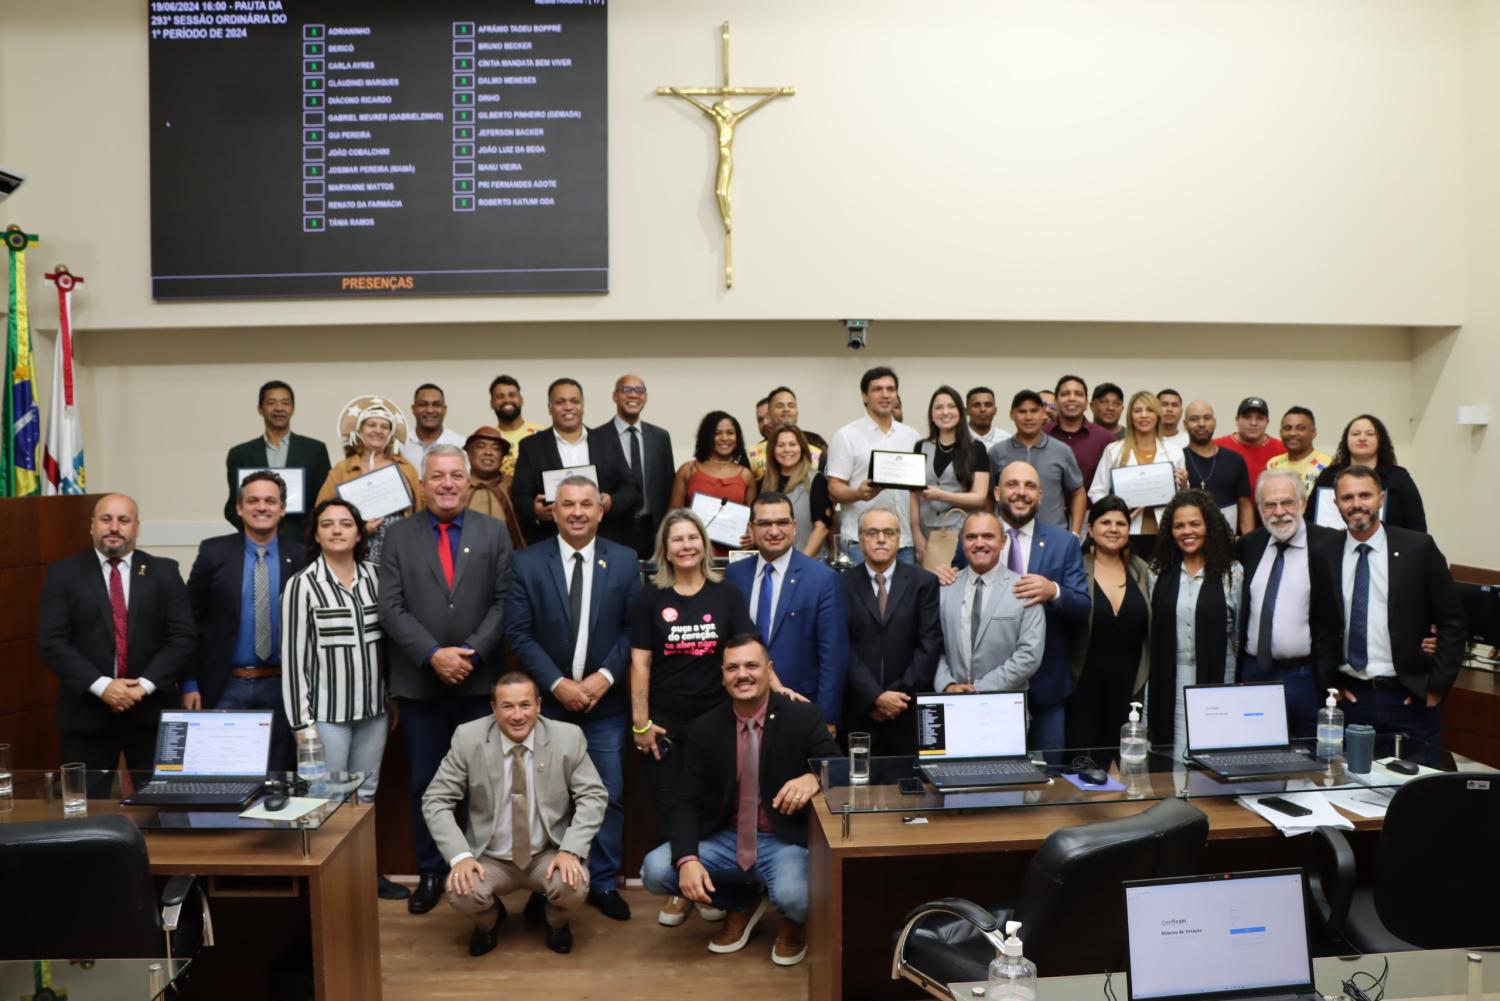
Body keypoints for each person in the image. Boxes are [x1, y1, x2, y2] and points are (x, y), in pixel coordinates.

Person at [640, 634, 840, 967]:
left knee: (797, 898)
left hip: (784, 841)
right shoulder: (706, 727)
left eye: (751, 665)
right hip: (727, 838)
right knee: (656, 869)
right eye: (732, 668)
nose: (742, 674)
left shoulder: (802, 717)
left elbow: (841, 768)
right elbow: (684, 800)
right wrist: (688, 858)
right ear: (722, 675)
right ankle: (742, 899)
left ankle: (793, 922)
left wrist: (813, 778)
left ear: (769, 669)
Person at [378, 445, 514, 915]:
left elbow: (503, 601)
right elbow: (390, 607)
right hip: (421, 684)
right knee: (426, 785)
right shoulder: (398, 537)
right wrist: (433, 655)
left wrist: (472, 653)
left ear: (468, 480)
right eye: (438, 476)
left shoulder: (493, 532)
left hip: (478, 683)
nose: (448, 483)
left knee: (482, 782)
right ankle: (433, 871)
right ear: (423, 482)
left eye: (457, 475)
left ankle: (479, 870)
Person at [505, 475, 641, 922]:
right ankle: (546, 883)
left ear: (601, 511)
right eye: (568, 505)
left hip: (606, 705)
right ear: (554, 511)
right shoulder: (526, 563)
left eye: (586, 504)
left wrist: (603, 677)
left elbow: (632, 630)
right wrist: (558, 684)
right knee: (547, 798)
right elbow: (519, 634)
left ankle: (601, 881)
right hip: (550, 704)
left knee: (607, 794)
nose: (578, 512)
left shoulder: (623, 561)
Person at [629, 509, 756, 926]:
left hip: (717, 721)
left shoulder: (728, 594)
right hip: (665, 724)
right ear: (665, 549)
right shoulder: (650, 597)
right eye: (677, 539)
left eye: (692, 538)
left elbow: (749, 652)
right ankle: (680, 889)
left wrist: (778, 689)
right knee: (670, 805)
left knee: (713, 804)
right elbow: (640, 664)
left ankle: (709, 885)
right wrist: (641, 723)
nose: (686, 546)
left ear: (705, 543)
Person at [423, 672, 607, 957]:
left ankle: (555, 921)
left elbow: (593, 796)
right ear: (493, 708)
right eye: (507, 706)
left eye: (525, 705)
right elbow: (436, 799)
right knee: (460, 892)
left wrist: (571, 850)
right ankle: (489, 921)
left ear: (539, 705)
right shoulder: (468, 737)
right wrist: (460, 856)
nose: (517, 715)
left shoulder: (568, 737)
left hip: (546, 854)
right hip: (490, 856)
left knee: (574, 885)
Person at [280, 497, 406, 900]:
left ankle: (363, 877)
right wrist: (302, 726)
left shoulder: (376, 577)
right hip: (325, 719)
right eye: (328, 524)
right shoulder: (302, 584)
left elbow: (389, 648)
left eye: (345, 523)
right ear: (316, 534)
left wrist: (391, 700)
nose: (337, 530)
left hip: (373, 712)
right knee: (326, 798)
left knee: (364, 797)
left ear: (359, 531)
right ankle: (329, 886)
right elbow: (293, 659)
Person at [38, 494, 195, 774]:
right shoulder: (63, 573)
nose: (114, 527)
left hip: (152, 715)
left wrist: (143, 687)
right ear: (92, 525)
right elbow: (51, 643)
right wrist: (103, 686)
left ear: (136, 527)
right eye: (106, 519)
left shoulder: (165, 572)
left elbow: (183, 638)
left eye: (123, 520)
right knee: (84, 809)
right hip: (86, 715)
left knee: (165, 810)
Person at [1311, 466, 1464, 745]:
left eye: (1365, 495)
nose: (1357, 504)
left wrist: (1435, 688)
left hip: (1410, 700)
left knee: (1417, 788)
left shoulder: (1418, 548)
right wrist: (1331, 683)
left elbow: (1453, 621)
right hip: (1352, 700)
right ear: (1336, 504)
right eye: (1347, 498)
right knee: (1352, 788)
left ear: (1381, 499)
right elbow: (1321, 624)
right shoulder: (1324, 553)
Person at [184, 470, 308, 773]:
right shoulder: (213, 552)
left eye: (270, 501)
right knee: (223, 774)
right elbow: (189, 621)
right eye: (253, 500)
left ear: (282, 509)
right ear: (239, 508)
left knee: (280, 776)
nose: (261, 507)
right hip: (226, 684)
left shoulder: (302, 555)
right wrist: (188, 682)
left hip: (283, 687)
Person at [985, 461, 1090, 751]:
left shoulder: (1063, 542)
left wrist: (1053, 590)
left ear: (1041, 496)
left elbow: (1082, 607)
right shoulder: (977, 538)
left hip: (1046, 686)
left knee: (1050, 783)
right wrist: (946, 574)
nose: (1021, 492)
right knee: (993, 784)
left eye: (1030, 486)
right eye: (1012, 484)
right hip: (989, 685)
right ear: (996, 493)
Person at [726, 493, 849, 727]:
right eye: (764, 524)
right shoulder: (735, 573)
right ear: (751, 529)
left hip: (802, 708)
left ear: (794, 527)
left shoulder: (823, 579)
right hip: (743, 709)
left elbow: (833, 656)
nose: (774, 531)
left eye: (782, 522)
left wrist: (826, 718)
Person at [1235, 468, 1341, 740]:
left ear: (1303, 504)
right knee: (1253, 752)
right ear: (1259, 509)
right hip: (1254, 673)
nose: (1279, 512)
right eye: (1270, 505)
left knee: (1310, 762)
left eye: (1287, 502)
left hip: (1306, 677)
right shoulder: (1250, 545)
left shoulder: (1330, 545)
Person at [1146, 489, 1243, 758]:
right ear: (1170, 531)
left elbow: (1238, 633)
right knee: (1171, 756)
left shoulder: (1231, 572)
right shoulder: (1156, 570)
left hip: (1218, 679)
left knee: (1211, 756)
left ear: (1208, 527)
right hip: (1168, 680)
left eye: (1194, 524)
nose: (1187, 531)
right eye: (1179, 525)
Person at [841, 506, 942, 753]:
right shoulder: (840, 584)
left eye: (889, 532)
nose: (881, 539)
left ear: (899, 539)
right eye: (872, 532)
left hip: (907, 712)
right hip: (859, 712)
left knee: (911, 788)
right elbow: (841, 648)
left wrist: (893, 698)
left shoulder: (924, 583)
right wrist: (875, 697)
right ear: (860, 539)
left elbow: (929, 646)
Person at [1065, 497, 1152, 753]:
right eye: (1105, 522)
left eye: (1121, 523)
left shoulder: (1143, 571)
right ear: (1090, 529)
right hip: (1082, 685)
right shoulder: (1074, 570)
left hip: (1129, 686)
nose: (1113, 529)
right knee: (1081, 766)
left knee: (1123, 764)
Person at [511, 378, 640, 546]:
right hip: (550, 540)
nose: (568, 407)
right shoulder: (531, 447)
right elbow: (520, 496)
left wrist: (612, 502)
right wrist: (535, 511)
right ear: (549, 408)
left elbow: (630, 488)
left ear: (583, 406)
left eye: (574, 401)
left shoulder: (608, 441)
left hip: (603, 540)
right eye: (560, 402)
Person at [933, 513, 1045, 695]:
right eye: (971, 537)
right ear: (962, 543)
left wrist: (980, 689)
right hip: (953, 700)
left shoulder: (1025, 590)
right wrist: (946, 684)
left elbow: (1029, 655)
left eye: (988, 536)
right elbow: (930, 646)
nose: (979, 543)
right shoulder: (943, 588)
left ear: (1003, 541)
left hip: (1005, 703)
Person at [825, 366, 922, 564]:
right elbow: (834, 488)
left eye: (891, 389)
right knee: (862, 596)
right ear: (864, 397)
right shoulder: (846, 436)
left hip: (903, 542)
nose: (885, 395)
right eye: (877, 389)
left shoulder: (912, 436)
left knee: (903, 596)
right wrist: (857, 494)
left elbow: (916, 493)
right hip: (861, 543)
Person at [315, 395, 423, 565]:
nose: (378, 431)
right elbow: (321, 514)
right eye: (371, 425)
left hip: (400, 551)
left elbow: (420, 512)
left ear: (391, 433)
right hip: (353, 552)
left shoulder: (405, 468)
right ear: (359, 430)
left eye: (384, 426)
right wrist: (360, 530)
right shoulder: (341, 470)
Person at [223, 380, 332, 541]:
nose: (279, 408)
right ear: (260, 409)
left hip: (303, 543)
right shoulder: (240, 454)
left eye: (285, 403)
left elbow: (324, 502)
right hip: (255, 542)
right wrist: (256, 526)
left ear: (293, 409)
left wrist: (310, 532)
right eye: (271, 403)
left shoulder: (315, 450)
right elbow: (233, 506)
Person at [911, 385, 991, 569]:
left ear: (961, 412)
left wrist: (942, 495)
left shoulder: (976, 449)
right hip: (926, 532)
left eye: (951, 406)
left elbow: (979, 497)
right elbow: (913, 494)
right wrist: (916, 534)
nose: (945, 412)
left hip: (962, 533)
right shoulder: (920, 447)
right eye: (938, 407)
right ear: (931, 414)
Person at [1087, 390, 1188, 535]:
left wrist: (1184, 484)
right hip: (1125, 530)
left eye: (1150, 410)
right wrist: (1115, 514)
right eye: (1137, 411)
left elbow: (1184, 498)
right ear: (1130, 416)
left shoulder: (1174, 452)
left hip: (1165, 529)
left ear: (1157, 415)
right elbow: (1097, 491)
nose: (1144, 415)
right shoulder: (1114, 450)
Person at [1307, 414, 1427, 533]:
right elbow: (1309, 520)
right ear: (1346, 440)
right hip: (1333, 547)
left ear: (1380, 441)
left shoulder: (1399, 477)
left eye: (1370, 434)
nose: (1362, 438)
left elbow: (1417, 526)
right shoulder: (1328, 475)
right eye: (1355, 434)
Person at [989, 390, 1086, 533]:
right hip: (1009, 537)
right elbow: (988, 497)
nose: (1028, 417)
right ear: (1012, 415)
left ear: (1043, 413)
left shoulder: (1062, 451)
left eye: (1034, 411)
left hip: (1053, 536)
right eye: (1022, 411)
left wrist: (1075, 533)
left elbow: (1078, 493)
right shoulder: (997, 452)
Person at [602, 374, 675, 559]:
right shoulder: (597, 437)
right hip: (613, 531)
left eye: (639, 390)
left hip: (653, 531)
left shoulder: (661, 437)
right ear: (614, 396)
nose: (633, 395)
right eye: (626, 390)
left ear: (646, 397)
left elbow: (669, 485)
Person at [669, 410, 757, 553]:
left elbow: (754, 519)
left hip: (733, 555)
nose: (724, 438)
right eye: (717, 433)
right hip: (691, 552)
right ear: (707, 436)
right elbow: (673, 512)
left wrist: (753, 536)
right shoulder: (688, 469)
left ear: (737, 438)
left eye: (730, 433)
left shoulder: (746, 475)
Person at [759, 424, 833, 558]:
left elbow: (821, 528)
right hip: (772, 563)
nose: (787, 449)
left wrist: (801, 563)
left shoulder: (816, 480)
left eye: (792, 444)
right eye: (781, 445)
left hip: (809, 563)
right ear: (773, 450)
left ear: (802, 448)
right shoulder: (764, 483)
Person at [1181, 400, 1254, 536]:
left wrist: (1249, 542)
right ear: (1185, 424)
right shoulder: (1178, 459)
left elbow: (1245, 506)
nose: (1201, 424)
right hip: (1188, 540)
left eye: (1207, 418)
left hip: (1227, 542)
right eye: (1194, 419)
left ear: (1214, 422)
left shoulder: (1235, 460)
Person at [462, 425, 525, 551]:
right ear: (469, 453)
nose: (488, 452)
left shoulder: (514, 485)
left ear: (502, 457)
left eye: (496, 448)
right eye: (480, 446)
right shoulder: (456, 487)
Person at [1045, 374, 1114, 487]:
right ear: (1056, 402)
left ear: (1086, 403)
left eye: (1078, 394)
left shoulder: (1106, 439)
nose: (1072, 398)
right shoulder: (1041, 434)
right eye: (1065, 394)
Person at [747, 386, 827, 480]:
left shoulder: (817, 444)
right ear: (769, 414)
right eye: (779, 406)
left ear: (797, 412)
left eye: (791, 405)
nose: (786, 409)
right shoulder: (752, 454)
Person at [1212, 396, 1287, 495]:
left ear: (1267, 422)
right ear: (1237, 420)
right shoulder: (1216, 446)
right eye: (1247, 417)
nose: (1253, 423)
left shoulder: (1282, 449)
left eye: (1259, 418)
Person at [1264, 406, 1332, 499]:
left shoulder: (1329, 465)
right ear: (1280, 432)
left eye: (1300, 428)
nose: (1292, 433)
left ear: (1313, 432)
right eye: (1287, 428)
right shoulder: (1272, 465)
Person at [489, 374, 545, 479]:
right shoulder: (490, 438)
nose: (507, 400)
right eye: (500, 396)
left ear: (521, 400)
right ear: (492, 403)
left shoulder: (542, 433)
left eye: (512, 395)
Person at [400, 383, 466, 469]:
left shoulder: (461, 445)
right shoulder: (399, 444)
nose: (430, 410)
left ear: (444, 410)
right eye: (423, 404)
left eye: (436, 405)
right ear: (413, 409)